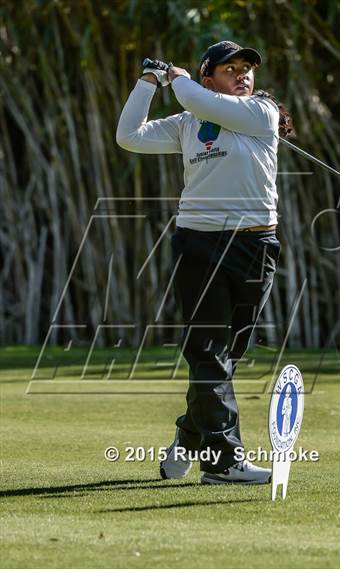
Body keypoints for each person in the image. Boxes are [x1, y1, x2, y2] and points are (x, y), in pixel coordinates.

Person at [116, 40, 295, 484]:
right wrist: (146, 82)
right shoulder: (187, 122)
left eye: (247, 68)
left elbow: (193, 95)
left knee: (226, 355)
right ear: (209, 75)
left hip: (256, 245)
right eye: (230, 68)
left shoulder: (261, 111)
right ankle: (222, 462)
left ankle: (190, 435)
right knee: (208, 351)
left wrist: (175, 77)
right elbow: (129, 136)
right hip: (199, 245)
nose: (242, 75)